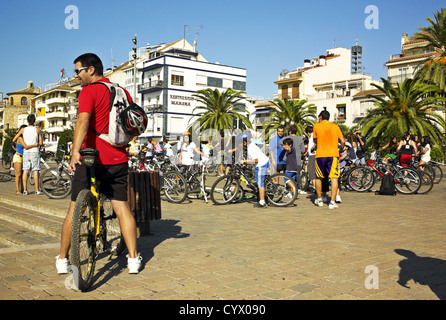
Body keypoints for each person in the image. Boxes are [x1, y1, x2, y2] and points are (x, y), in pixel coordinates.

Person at [57, 53, 142, 275]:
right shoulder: (123, 91)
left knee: (74, 209)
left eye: (78, 71)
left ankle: (63, 260)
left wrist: (75, 152)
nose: (75, 75)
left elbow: (83, 121)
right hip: (119, 159)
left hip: (91, 157)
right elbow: (133, 123)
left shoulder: (89, 91)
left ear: (91, 70)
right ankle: (133, 260)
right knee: (121, 207)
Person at [312, 110, 346, 209]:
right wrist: (340, 150)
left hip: (320, 154)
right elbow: (342, 141)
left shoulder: (316, 126)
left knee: (318, 177)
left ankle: (319, 199)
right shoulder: (335, 126)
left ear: (321, 117)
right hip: (333, 154)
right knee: (334, 178)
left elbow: (315, 140)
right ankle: (332, 202)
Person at [13, 114, 43, 195]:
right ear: (34, 121)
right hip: (34, 151)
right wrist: (38, 146)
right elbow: (40, 142)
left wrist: (20, 143)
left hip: (26, 151)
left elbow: (14, 139)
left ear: (27, 121)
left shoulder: (23, 130)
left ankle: (25, 190)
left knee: (25, 170)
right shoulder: (37, 130)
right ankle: (37, 190)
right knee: (35, 170)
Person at [280, 124, 306, 195]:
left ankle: (290, 190)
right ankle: (299, 188)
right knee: (296, 176)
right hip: (297, 160)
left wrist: (284, 147)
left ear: (290, 131)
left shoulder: (287, 138)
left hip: (289, 161)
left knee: (288, 177)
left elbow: (280, 143)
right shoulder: (300, 139)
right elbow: (303, 150)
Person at [305, 126, 317, 193]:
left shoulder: (313, 136)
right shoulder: (313, 136)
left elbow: (316, 142)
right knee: (313, 171)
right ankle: (315, 186)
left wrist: (313, 147)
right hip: (312, 155)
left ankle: (315, 187)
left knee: (312, 171)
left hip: (313, 155)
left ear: (308, 132)